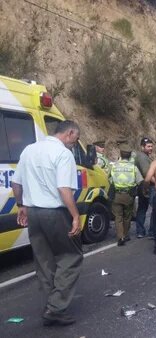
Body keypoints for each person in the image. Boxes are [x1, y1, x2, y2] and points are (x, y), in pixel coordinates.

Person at [11, 120, 82, 326]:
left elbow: (16, 183)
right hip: (55, 213)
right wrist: (75, 215)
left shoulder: (29, 149)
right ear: (69, 133)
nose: (74, 145)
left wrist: (21, 205)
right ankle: (56, 308)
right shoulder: (63, 154)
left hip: (33, 213)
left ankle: (50, 304)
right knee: (71, 256)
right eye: (75, 140)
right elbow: (63, 189)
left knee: (44, 261)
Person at [109, 144, 143, 246]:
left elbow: (108, 177)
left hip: (116, 194)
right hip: (129, 195)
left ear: (120, 154)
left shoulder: (113, 166)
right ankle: (126, 234)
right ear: (129, 156)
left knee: (118, 216)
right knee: (127, 216)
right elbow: (140, 181)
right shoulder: (133, 168)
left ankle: (120, 237)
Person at [135, 137, 154, 239]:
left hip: (143, 185)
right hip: (147, 186)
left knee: (142, 208)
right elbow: (147, 174)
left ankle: (140, 231)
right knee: (154, 209)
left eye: (151, 146)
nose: (150, 148)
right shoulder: (142, 157)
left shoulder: (144, 156)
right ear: (142, 147)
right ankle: (151, 232)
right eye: (148, 146)